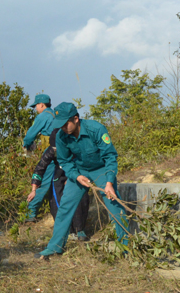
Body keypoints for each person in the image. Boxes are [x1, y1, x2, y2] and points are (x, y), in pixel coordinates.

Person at [35, 102, 128, 260]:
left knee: (114, 205)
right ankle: (54, 247)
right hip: (79, 171)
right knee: (65, 206)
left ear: (76, 119)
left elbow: (110, 157)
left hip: (101, 170)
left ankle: (125, 247)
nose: (63, 128)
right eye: (60, 125)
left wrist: (109, 183)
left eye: (66, 124)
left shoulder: (96, 129)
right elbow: (64, 161)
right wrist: (76, 176)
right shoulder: (61, 136)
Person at [27, 128, 92, 241]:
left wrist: (73, 179)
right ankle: (65, 230)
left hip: (77, 172)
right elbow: (40, 168)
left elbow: (87, 164)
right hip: (59, 174)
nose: (56, 150)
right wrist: (34, 190)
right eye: (55, 148)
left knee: (80, 198)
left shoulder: (76, 148)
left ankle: (79, 229)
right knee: (56, 199)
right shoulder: (51, 150)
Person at [22, 93, 55, 222]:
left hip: (51, 154)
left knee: (44, 182)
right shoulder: (56, 115)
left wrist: (26, 145)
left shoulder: (43, 116)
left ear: (42, 105)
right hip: (64, 152)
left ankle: (30, 213)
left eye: (36, 105)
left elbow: (30, 135)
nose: (36, 108)